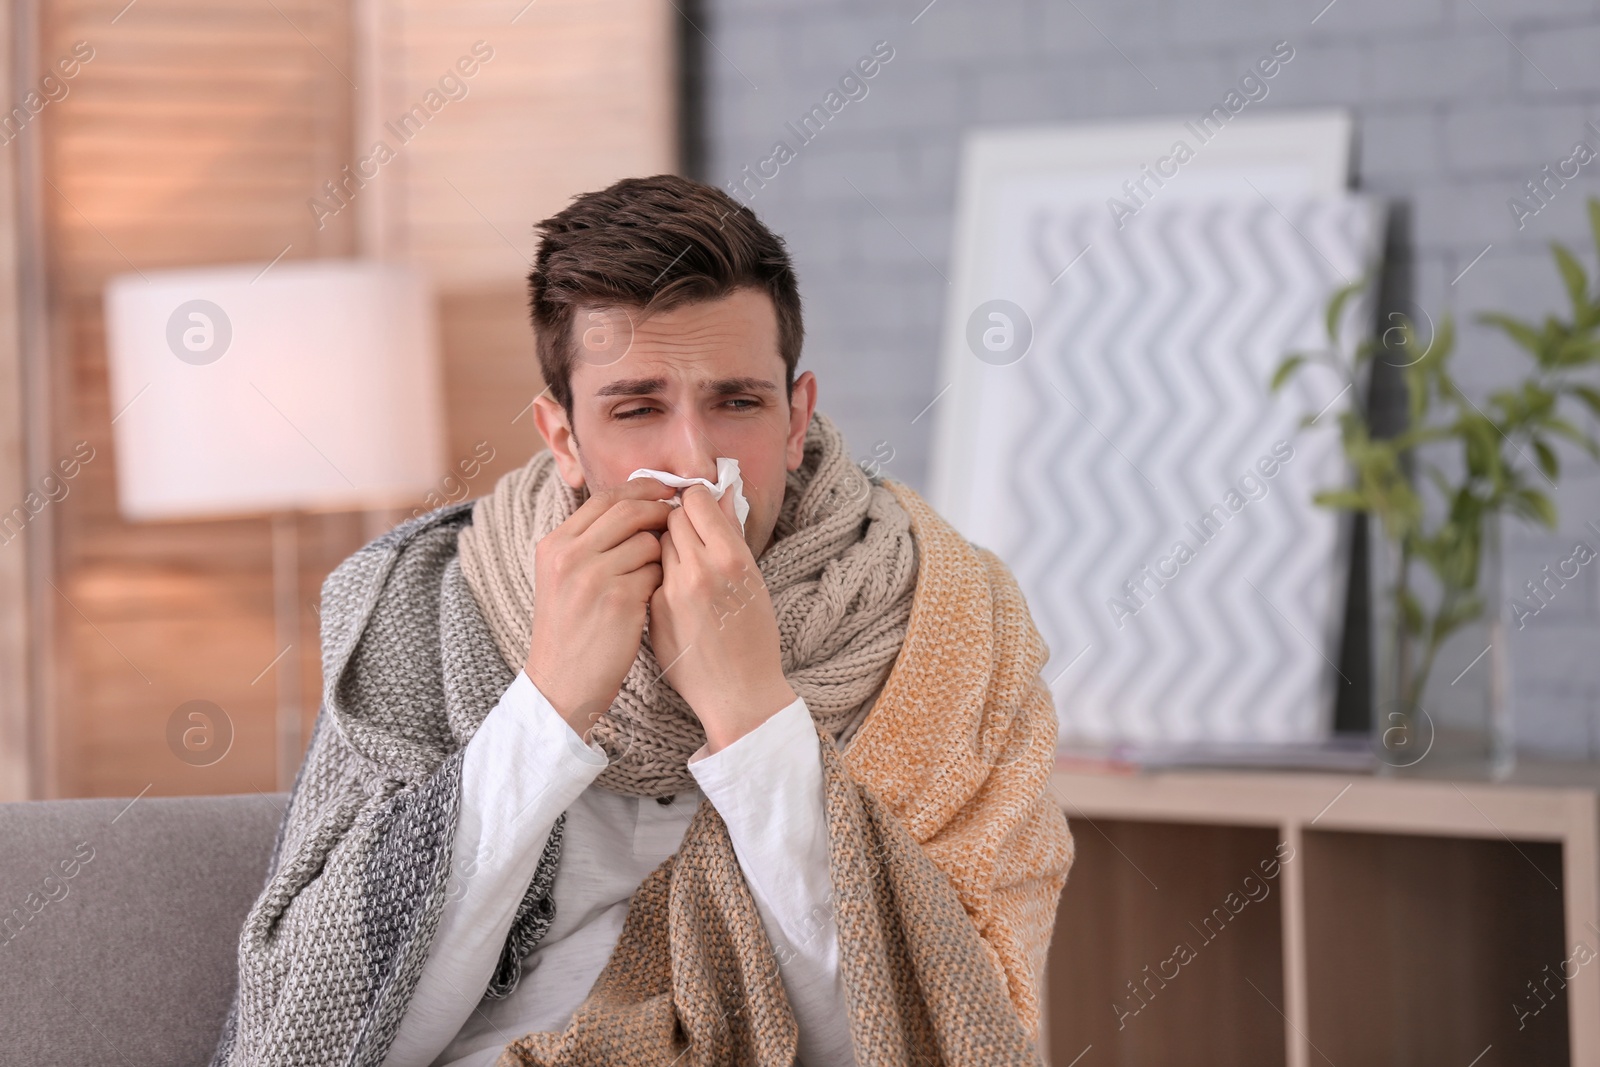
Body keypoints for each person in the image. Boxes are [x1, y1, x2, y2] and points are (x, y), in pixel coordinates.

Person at [209, 174, 1074, 1067]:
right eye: (637, 410)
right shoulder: (429, 610)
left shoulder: (952, 624)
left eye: (738, 402)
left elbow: (937, 1037)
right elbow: (321, 1035)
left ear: (796, 416)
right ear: (564, 440)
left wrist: (753, 715)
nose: (694, 461)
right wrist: (547, 708)